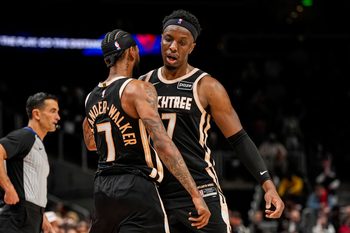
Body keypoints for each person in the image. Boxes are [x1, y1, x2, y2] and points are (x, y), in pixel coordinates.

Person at [140, 9, 285, 232]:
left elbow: (239, 139)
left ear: (191, 47)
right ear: (161, 39)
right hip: (156, 192)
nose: (173, 47)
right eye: (168, 39)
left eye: (182, 42)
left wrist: (268, 185)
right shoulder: (142, 84)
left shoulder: (207, 86)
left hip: (200, 188)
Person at [82, 28, 210, 233]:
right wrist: (195, 194)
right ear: (132, 52)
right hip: (136, 185)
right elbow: (162, 142)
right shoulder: (138, 88)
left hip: (102, 189)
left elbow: (91, 144)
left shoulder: (91, 97)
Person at [0, 92, 60, 233]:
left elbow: (34, 187)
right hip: (17, 216)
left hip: (32, 217)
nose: (58, 117)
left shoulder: (38, 145)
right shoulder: (26, 136)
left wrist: (42, 217)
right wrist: (8, 187)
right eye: (53, 111)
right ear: (37, 114)